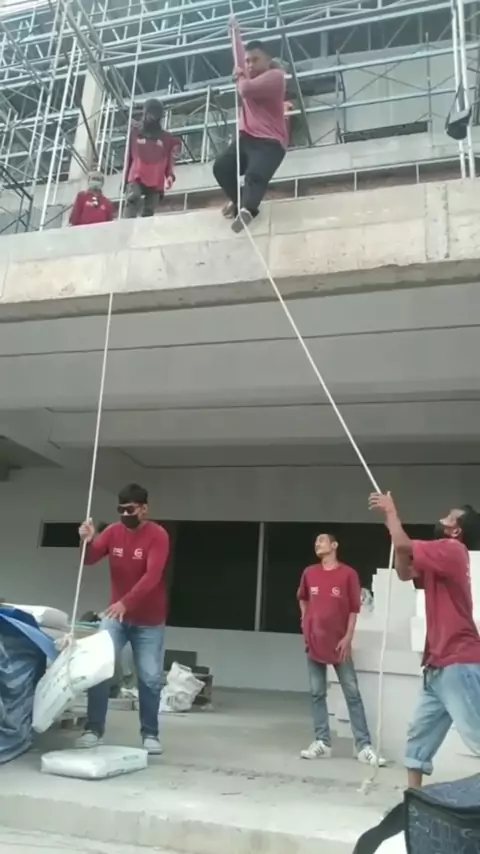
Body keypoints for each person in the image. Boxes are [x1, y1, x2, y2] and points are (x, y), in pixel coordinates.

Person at [369, 494, 480, 788]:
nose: (443, 517)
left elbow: (405, 546)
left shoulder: (452, 550)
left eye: (449, 516)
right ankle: (414, 800)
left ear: (456, 530)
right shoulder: (440, 556)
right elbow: (405, 572)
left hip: (458, 662)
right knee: (418, 738)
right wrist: (394, 531)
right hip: (437, 666)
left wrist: (392, 513)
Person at [77, 483, 169, 755]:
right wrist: (87, 541)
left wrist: (125, 602)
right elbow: (89, 560)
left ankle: (150, 734)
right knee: (99, 667)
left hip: (149, 622)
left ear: (144, 509)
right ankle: (93, 729)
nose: (125, 515)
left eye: (131, 510)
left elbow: (152, 576)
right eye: (121, 510)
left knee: (150, 677)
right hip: (115, 618)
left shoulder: (158, 535)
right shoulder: (113, 532)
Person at [298, 532, 384, 766]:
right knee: (317, 693)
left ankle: (363, 746)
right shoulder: (309, 573)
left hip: (339, 644)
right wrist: (305, 621)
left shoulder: (348, 574)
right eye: (315, 541)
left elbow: (354, 609)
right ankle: (322, 742)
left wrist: (348, 637)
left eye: (322, 540)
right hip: (314, 641)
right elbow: (303, 598)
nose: (317, 544)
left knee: (352, 693)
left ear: (334, 545)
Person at [213, 18, 287, 233]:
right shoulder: (246, 73)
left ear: (268, 60)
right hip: (247, 138)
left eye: (255, 60)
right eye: (248, 61)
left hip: (270, 142)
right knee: (222, 167)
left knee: (255, 175)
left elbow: (246, 90)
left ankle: (248, 207)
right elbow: (239, 57)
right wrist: (234, 33)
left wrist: (239, 75)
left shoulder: (276, 77)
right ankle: (242, 204)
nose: (250, 65)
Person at [125, 99, 179, 218]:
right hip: (137, 173)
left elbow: (169, 158)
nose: (153, 118)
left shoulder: (166, 137)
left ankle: (144, 229)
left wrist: (169, 175)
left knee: (150, 209)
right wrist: (125, 179)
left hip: (156, 176)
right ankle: (126, 226)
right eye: (151, 114)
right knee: (133, 197)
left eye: (156, 115)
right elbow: (128, 157)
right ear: (145, 114)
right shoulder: (135, 133)